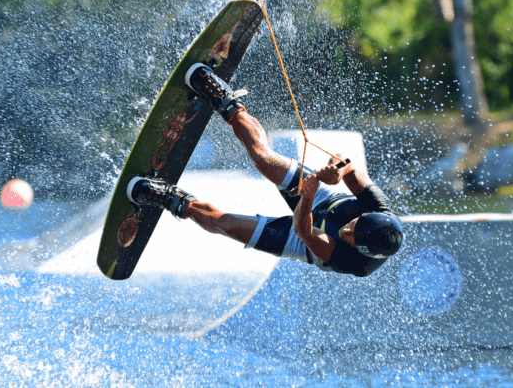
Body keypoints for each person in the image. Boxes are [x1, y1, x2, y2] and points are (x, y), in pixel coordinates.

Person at [126, 63, 403, 277]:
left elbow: (304, 232)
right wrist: (337, 170)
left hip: (301, 238)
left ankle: (174, 200)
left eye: (352, 239)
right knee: (262, 158)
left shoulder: (353, 262)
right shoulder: (378, 207)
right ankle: (226, 101)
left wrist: (306, 197)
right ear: (367, 215)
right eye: (354, 227)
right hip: (324, 200)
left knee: (224, 224)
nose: (347, 233)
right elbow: (348, 163)